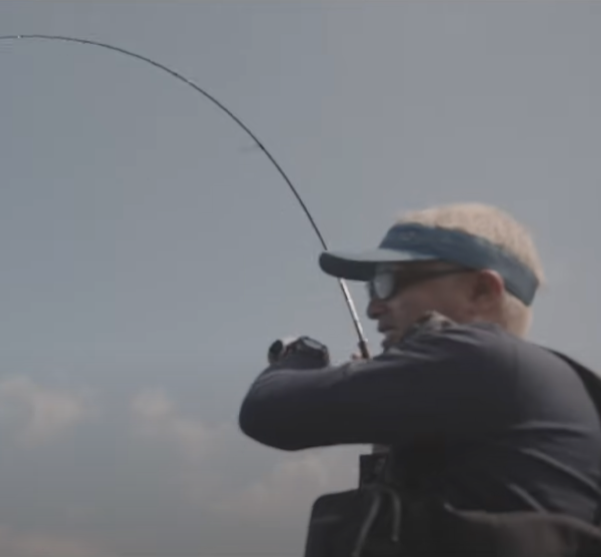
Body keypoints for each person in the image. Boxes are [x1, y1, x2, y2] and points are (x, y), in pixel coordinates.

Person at [237, 202, 601, 554]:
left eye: (389, 282)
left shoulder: (479, 358)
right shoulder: (547, 385)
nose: (373, 307)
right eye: (372, 289)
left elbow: (269, 412)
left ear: (481, 291)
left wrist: (299, 356)